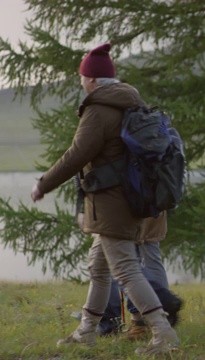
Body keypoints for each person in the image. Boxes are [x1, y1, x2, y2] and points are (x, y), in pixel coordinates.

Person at [30, 43, 179, 355]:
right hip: (127, 201)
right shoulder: (129, 103)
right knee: (99, 268)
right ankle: (87, 330)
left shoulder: (98, 111)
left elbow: (76, 156)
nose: (81, 81)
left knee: (125, 269)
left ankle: (162, 332)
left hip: (112, 205)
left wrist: (43, 184)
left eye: (83, 76)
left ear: (93, 80)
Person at [75, 176, 183, 340]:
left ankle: (130, 320)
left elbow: (83, 163)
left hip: (124, 199)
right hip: (152, 192)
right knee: (145, 256)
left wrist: (81, 206)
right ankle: (154, 316)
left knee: (121, 263)